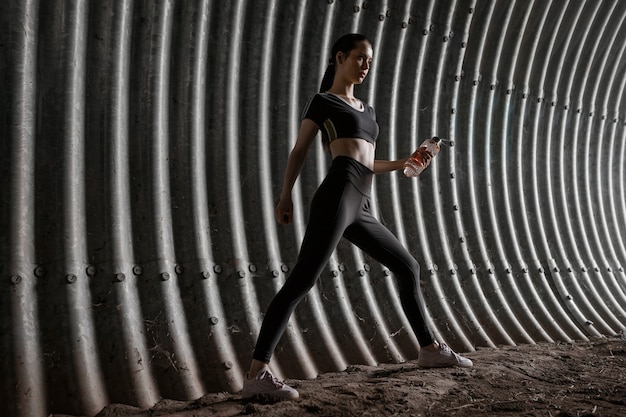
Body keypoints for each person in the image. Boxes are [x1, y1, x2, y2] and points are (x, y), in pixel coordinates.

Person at [241, 33, 472, 401]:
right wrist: (285, 195)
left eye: (370, 61)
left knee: (407, 267)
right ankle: (257, 373)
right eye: (360, 58)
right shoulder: (324, 102)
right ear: (340, 58)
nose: (366, 66)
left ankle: (428, 350)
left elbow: (368, 161)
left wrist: (406, 162)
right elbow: (300, 149)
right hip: (337, 195)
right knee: (301, 281)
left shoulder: (368, 110)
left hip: (361, 203)